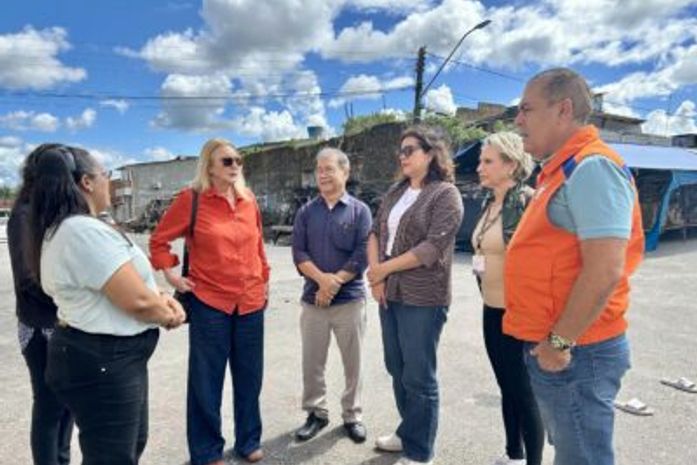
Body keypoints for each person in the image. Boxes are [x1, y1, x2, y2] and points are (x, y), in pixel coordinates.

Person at [504, 68, 645, 465]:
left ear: (563, 110)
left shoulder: (591, 168)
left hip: (577, 351)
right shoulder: (560, 171)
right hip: (564, 347)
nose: (518, 120)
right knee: (572, 451)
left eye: (527, 109)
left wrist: (560, 343)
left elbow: (604, 271)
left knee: (581, 455)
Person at [24, 143, 186, 465]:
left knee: (125, 448)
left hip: (105, 357)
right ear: (86, 182)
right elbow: (137, 300)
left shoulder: (74, 227)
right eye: (105, 174)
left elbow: (129, 285)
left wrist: (162, 298)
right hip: (103, 359)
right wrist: (167, 314)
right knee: (112, 457)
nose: (108, 182)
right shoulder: (80, 231)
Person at [149, 138, 270, 465]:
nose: (235, 166)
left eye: (238, 160)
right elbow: (159, 241)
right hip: (210, 303)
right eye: (227, 161)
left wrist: (265, 280)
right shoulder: (191, 200)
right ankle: (206, 450)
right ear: (210, 167)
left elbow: (258, 245)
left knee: (250, 377)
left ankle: (248, 440)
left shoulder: (249, 200)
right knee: (206, 381)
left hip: (250, 302)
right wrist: (172, 275)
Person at [367, 125, 464, 465]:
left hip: (423, 298)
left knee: (419, 374)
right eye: (401, 150)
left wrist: (384, 269)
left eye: (410, 150)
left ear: (431, 154)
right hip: (389, 293)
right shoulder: (396, 191)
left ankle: (420, 452)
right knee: (396, 365)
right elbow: (374, 232)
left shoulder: (445, 194)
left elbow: (431, 248)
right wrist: (376, 276)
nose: (402, 156)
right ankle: (408, 430)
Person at [471, 133, 543, 465]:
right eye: (481, 161)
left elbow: (542, 261)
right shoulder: (490, 205)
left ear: (511, 164)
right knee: (506, 385)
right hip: (492, 309)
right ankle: (514, 454)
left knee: (524, 393)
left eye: (488, 161)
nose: (479, 167)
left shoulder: (528, 202)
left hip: (519, 312)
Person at [291, 148, 372, 444]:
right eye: (319, 169)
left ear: (345, 172)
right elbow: (299, 253)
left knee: (354, 363)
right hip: (313, 301)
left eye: (329, 169)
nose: (322, 174)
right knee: (312, 362)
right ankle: (316, 413)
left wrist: (334, 283)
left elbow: (362, 253)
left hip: (349, 301)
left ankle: (352, 415)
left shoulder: (360, 211)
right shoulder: (305, 212)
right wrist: (322, 282)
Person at [8, 147, 74, 465]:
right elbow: (28, 278)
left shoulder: (49, 211)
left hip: (61, 323)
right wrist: (71, 297)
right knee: (49, 408)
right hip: (40, 327)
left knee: (66, 408)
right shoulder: (25, 214)